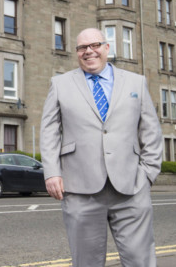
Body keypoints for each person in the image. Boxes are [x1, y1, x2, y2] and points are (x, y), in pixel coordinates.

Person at [40, 28, 163, 267]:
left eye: (95, 45)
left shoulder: (136, 82)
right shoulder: (60, 84)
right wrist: (52, 172)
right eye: (82, 48)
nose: (89, 51)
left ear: (107, 48)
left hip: (131, 188)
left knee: (141, 261)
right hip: (80, 189)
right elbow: (49, 131)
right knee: (86, 263)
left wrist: (147, 175)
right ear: (77, 53)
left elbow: (151, 131)